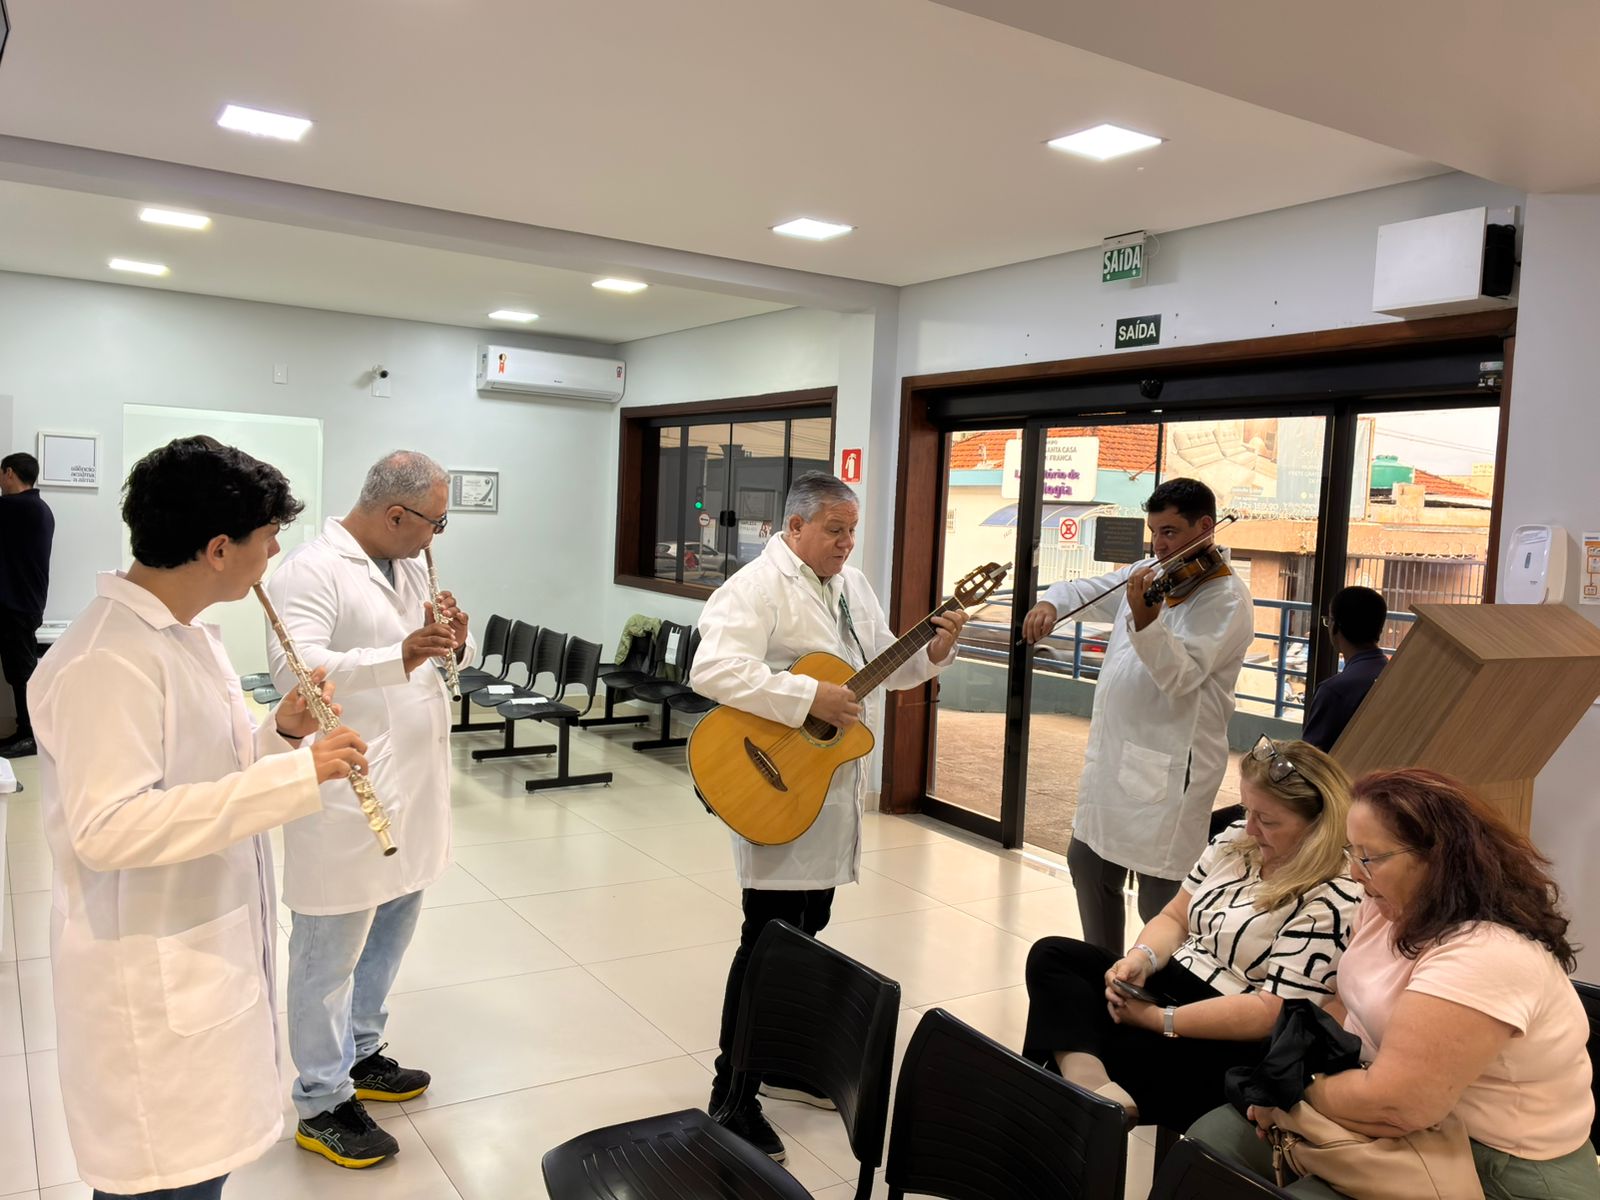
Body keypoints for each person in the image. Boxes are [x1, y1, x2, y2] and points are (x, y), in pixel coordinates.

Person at [28, 436, 369, 1200]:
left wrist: (280, 736)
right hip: (147, 987)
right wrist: (295, 778)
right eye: (268, 539)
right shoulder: (106, 660)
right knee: (164, 1182)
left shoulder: (181, 638)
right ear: (218, 549)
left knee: (200, 1172)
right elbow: (109, 828)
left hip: (201, 951)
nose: (273, 556)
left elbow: (204, 773)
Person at [690, 471, 969, 1162]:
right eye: (834, 530)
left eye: (852, 531)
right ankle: (731, 1095)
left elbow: (880, 664)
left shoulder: (851, 586)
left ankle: (778, 1063)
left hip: (822, 789)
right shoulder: (756, 587)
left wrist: (934, 650)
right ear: (794, 528)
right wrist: (806, 697)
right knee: (766, 943)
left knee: (807, 933)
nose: (846, 543)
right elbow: (712, 670)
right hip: (772, 784)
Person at [1190, 769, 1599, 1199]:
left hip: (1494, 1161)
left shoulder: (1486, 955)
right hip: (1396, 1115)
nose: (1354, 872)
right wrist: (1289, 1079)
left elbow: (1398, 1106)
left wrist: (1290, 1091)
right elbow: (1345, 1005)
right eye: (1352, 851)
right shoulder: (1385, 905)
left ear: (1440, 859)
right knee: (1212, 1140)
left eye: (1370, 857)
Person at [265, 450, 470, 1169]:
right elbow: (294, 670)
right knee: (327, 955)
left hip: (411, 791)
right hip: (348, 795)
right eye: (435, 522)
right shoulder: (310, 571)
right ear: (395, 514)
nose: (436, 536)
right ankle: (321, 1100)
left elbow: (424, 657)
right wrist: (401, 654)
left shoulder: (406, 564)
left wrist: (451, 641)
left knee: (390, 931)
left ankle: (361, 1048)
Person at [1022, 737, 1360, 1131]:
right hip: (1171, 985)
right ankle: (1090, 1086)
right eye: (1248, 810)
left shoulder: (1335, 895)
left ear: (1318, 825)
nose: (1251, 827)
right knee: (1054, 956)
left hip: (1229, 1031)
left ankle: (1083, 1092)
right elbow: (1176, 916)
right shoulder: (1238, 838)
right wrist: (1140, 958)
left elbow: (1272, 1013)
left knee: (1073, 1040)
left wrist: (1160, 1019)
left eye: (1267, 821)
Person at [1023, 478, 1254, 954]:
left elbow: (1181, 676)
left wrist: (1146, 621)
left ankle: (1156, 982)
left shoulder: (1225, 598)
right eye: (1154, 532)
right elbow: (1090, 589)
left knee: (1159, 898)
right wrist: (1052, 601)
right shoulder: (1152, 572)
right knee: (1087, 864)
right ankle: (1102, 968)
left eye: (1170, 532)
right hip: (1116, 756)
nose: (1159, 544)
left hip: (1173, 765)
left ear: (1205, 527)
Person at [0, 451, 56, 758]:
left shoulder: (19, 507)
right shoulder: (38, 508)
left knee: (21, 672)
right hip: (24, 603)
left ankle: (31, 736)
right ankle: (25, 731)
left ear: (9, 473)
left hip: (18, 605)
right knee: (18, 670)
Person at [1301, 586, 1387, 752]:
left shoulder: (1334, 691)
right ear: (1380, 628)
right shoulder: (1392, 673)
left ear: (1335, 627)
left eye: (1329, 620)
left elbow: (1308, 758)